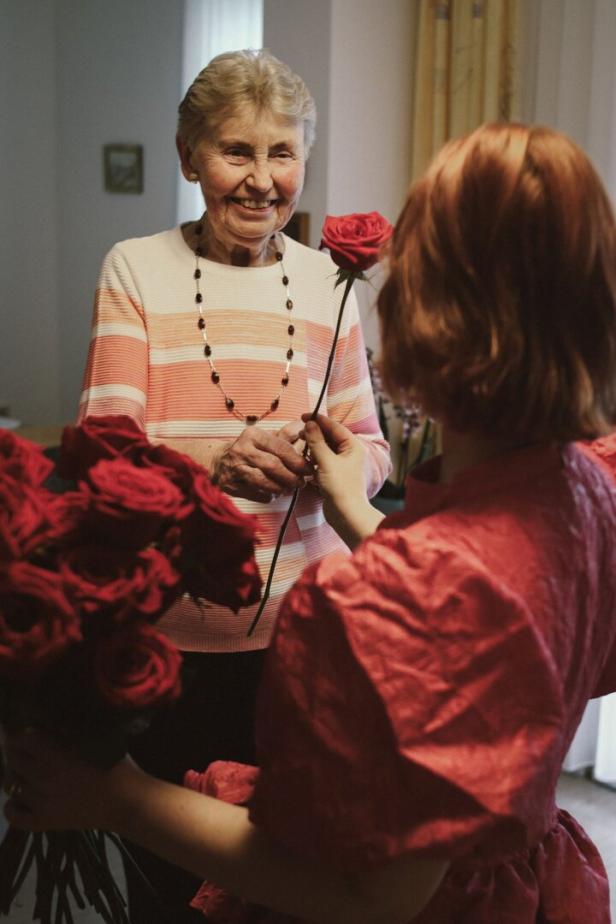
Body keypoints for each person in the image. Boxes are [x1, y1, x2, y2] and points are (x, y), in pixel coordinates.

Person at [6, 122, 616, 923]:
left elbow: (370, 895)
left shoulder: (379, 600)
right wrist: (355, 508)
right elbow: (495, 614)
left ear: (420, 305)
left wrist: (118, 797)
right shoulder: (593, 490)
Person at [76, 48, 390, 921]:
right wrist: (211, 468)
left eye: (281, 154)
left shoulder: (334, 284)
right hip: (169, 641)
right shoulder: (136, 269)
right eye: (235, 152)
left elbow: (374, 449)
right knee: (168, 879)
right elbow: (106, 459)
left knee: (278, 877)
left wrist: (338, 471)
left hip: (305, 644)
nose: (261, 180)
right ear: (187, 157)